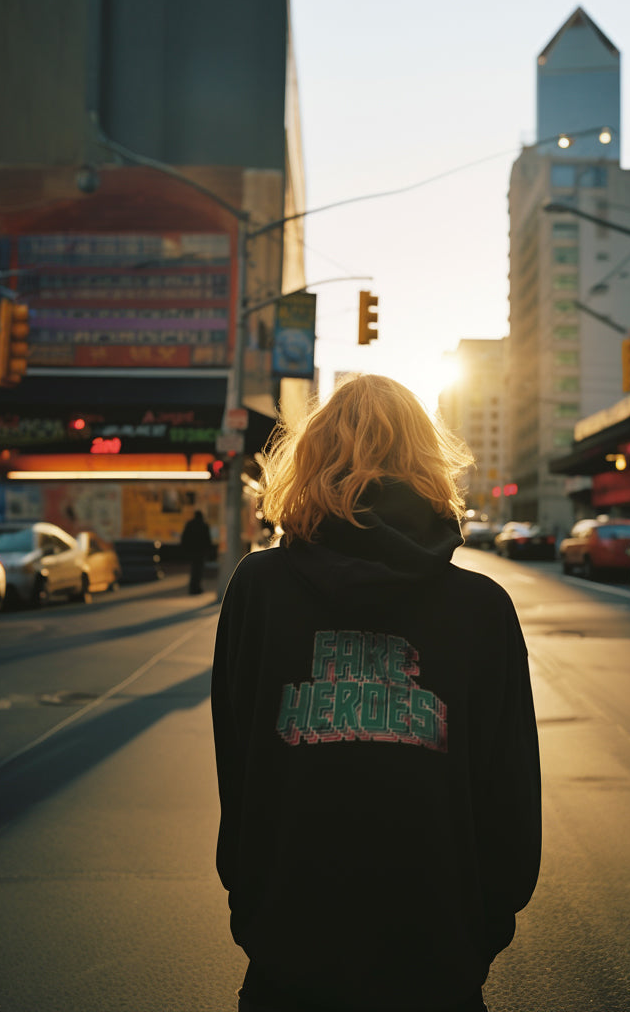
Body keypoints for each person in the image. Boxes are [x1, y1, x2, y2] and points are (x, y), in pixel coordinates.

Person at [211, 374, 541, 1012]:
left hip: (289, 947)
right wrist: (483, 930)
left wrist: (251, 901)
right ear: (429, 466)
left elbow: (238, 761)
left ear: (308, 460)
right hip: (438, 956)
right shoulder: (482, 608)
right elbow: (510, 792)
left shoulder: (258, 589)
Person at [181, 509, 215, 595]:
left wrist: (186, 549)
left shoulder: (190, 524)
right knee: (199, 570)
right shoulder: (204, 525)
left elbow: (184, 537)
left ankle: (193, 588)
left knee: (194, 569)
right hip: (201, 552)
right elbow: (208, 540)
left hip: (192, 551)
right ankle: (196, 588)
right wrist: (209, 551)